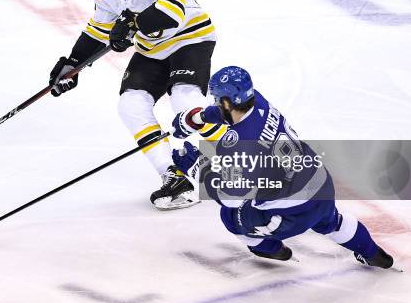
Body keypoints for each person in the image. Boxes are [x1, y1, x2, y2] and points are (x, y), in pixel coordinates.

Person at [49, 0, 226, 210]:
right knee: (130, 104)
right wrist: (73, 63)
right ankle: (174, 177)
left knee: (185, 101)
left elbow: (171, 14)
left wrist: (132, 23)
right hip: (151, 51)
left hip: (190, 41)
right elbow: (98, 29)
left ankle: (241, 158)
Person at [169, 66, 394, 268]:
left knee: (230, 215)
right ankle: (375, 255)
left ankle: (274, 251)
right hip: (320, 184)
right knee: (332, 222)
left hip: (293, 213)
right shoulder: (258, 100)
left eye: (217, 100)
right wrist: (196, 118)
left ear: (226, 102)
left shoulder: (238, 145)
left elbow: (229, 196)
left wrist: (197, 167)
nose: (216, 103)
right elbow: (228, 111)